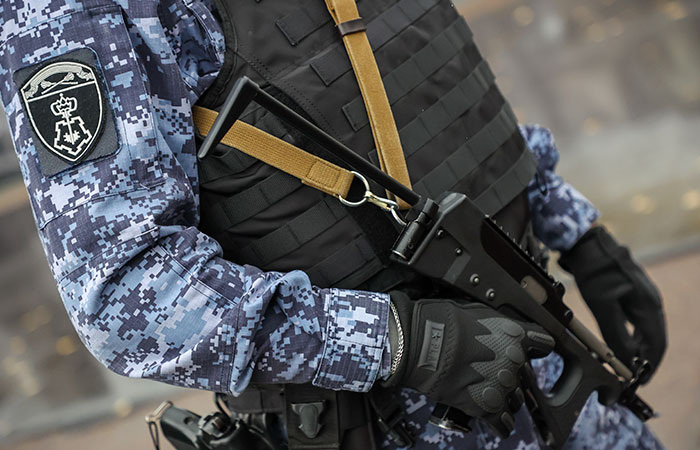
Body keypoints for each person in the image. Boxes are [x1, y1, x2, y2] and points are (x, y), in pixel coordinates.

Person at [0, 0, 666, 448]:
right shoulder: (75, 13)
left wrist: (572, 226)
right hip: (385, 421)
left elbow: (421, 77)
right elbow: (125, 297)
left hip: (557, 371)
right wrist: (402, 342)